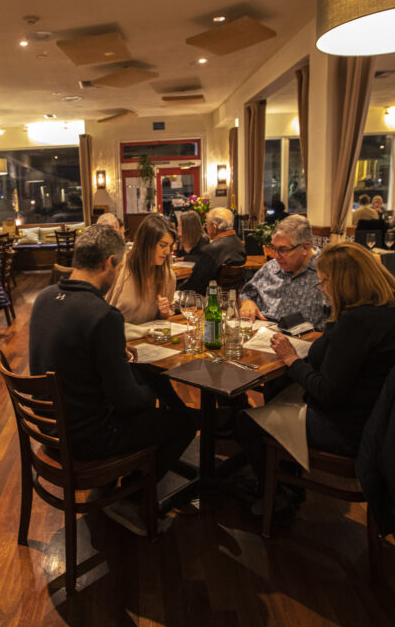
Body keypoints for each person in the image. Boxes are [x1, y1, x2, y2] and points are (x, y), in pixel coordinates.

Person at [29, 225, 196, 535]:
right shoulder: (102, 315)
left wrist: (114, 356)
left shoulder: (44, 298)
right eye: (118, 266)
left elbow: (70, 357)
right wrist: (151, 393)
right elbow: (127, 400)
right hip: (89, 437)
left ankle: (115, 486)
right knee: (183, 421)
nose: (117, 273)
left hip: (50, 427)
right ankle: (131, 497)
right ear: (108, 263)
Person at [235, 242, 395, 508]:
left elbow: (328, 391)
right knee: (278, 387)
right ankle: (286, 480)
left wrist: (290, 358)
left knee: (247, 421)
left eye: (323, 282)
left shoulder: (357, 322)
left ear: (342, 284)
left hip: (356, 430)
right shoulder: (394, 309)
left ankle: (276, 494)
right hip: (389, 420)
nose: (322, 289)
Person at [239, 215, 329, 331]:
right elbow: (248, 293)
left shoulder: (326, 273)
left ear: (305, 248)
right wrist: (247, 302)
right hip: (262, 334)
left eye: (283, 250)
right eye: (274, 248)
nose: (276, 256)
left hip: (305, 341)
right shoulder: (271, 267)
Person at [105, 213, 177, 324]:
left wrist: (165, 312)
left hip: (147, 338)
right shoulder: (120, 268)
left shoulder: (167, 276)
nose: (167, 252)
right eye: (163, 245)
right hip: (119, 337)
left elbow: (165, 319)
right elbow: (102, 310)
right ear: (146, 244)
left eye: (170, 246)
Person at [182, 207, 246, 294]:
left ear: (214, 227)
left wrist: (177, 288)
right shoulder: (239, 244)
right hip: (230, 297)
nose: (206, 227)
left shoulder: (211, 250)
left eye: (207, 224)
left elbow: (195, 285)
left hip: (209, 298)